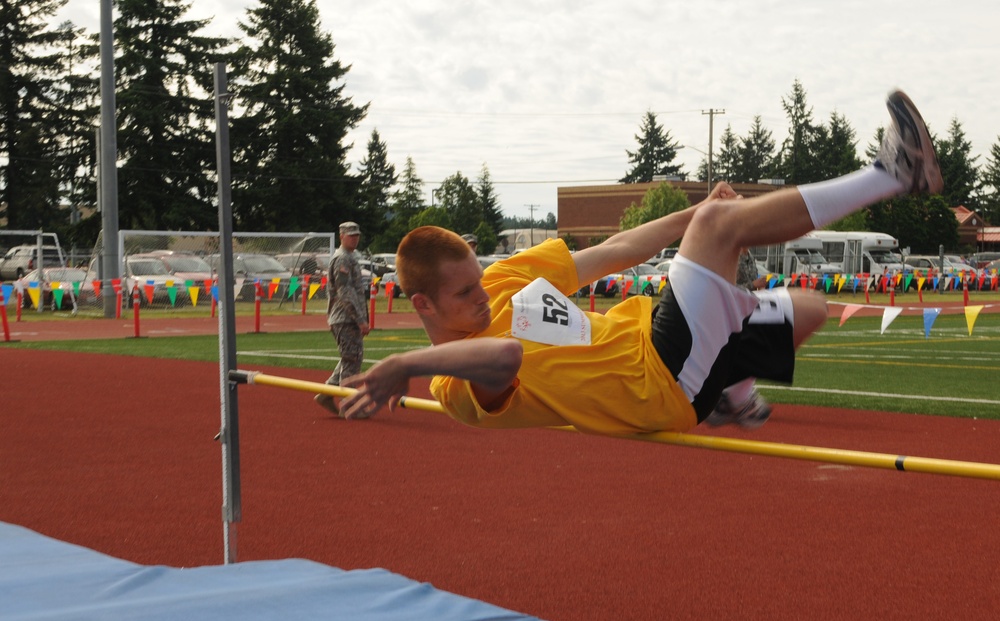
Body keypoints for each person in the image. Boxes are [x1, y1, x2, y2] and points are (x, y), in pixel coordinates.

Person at [339, 90, 942, 434]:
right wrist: (406, 362)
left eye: (478, 279)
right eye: (465, 295)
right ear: (422, 305)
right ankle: (893, 173)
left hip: (659, 340)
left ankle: (731, 395)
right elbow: (507, 354)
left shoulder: (503, 279)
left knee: (806, 308)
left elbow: (616, 251)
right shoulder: (453, 386)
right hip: (654, 380)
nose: (484, 296)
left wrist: (692, 214)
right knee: (717, 230)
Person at [705, 248, 773, 428]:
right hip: (732, 307)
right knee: (733, 351)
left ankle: (737, 394)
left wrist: (758, 288)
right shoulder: (731, 251)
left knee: (750, 349)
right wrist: (753, 284)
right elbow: (726, 286)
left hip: (747, 305)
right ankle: (724, 397)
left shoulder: (748, 253)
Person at [315, 221, 371, 415]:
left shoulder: (349, 257)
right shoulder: (342, 259)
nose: (355, 238)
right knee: (351, 360)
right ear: (341, 236)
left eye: (357, 235)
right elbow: (345, 292)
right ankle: (350, 405)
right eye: (351, 235)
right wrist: (360, 319)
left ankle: (326, 394)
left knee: (350, 357)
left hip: (347, 317)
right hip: (345, 317)